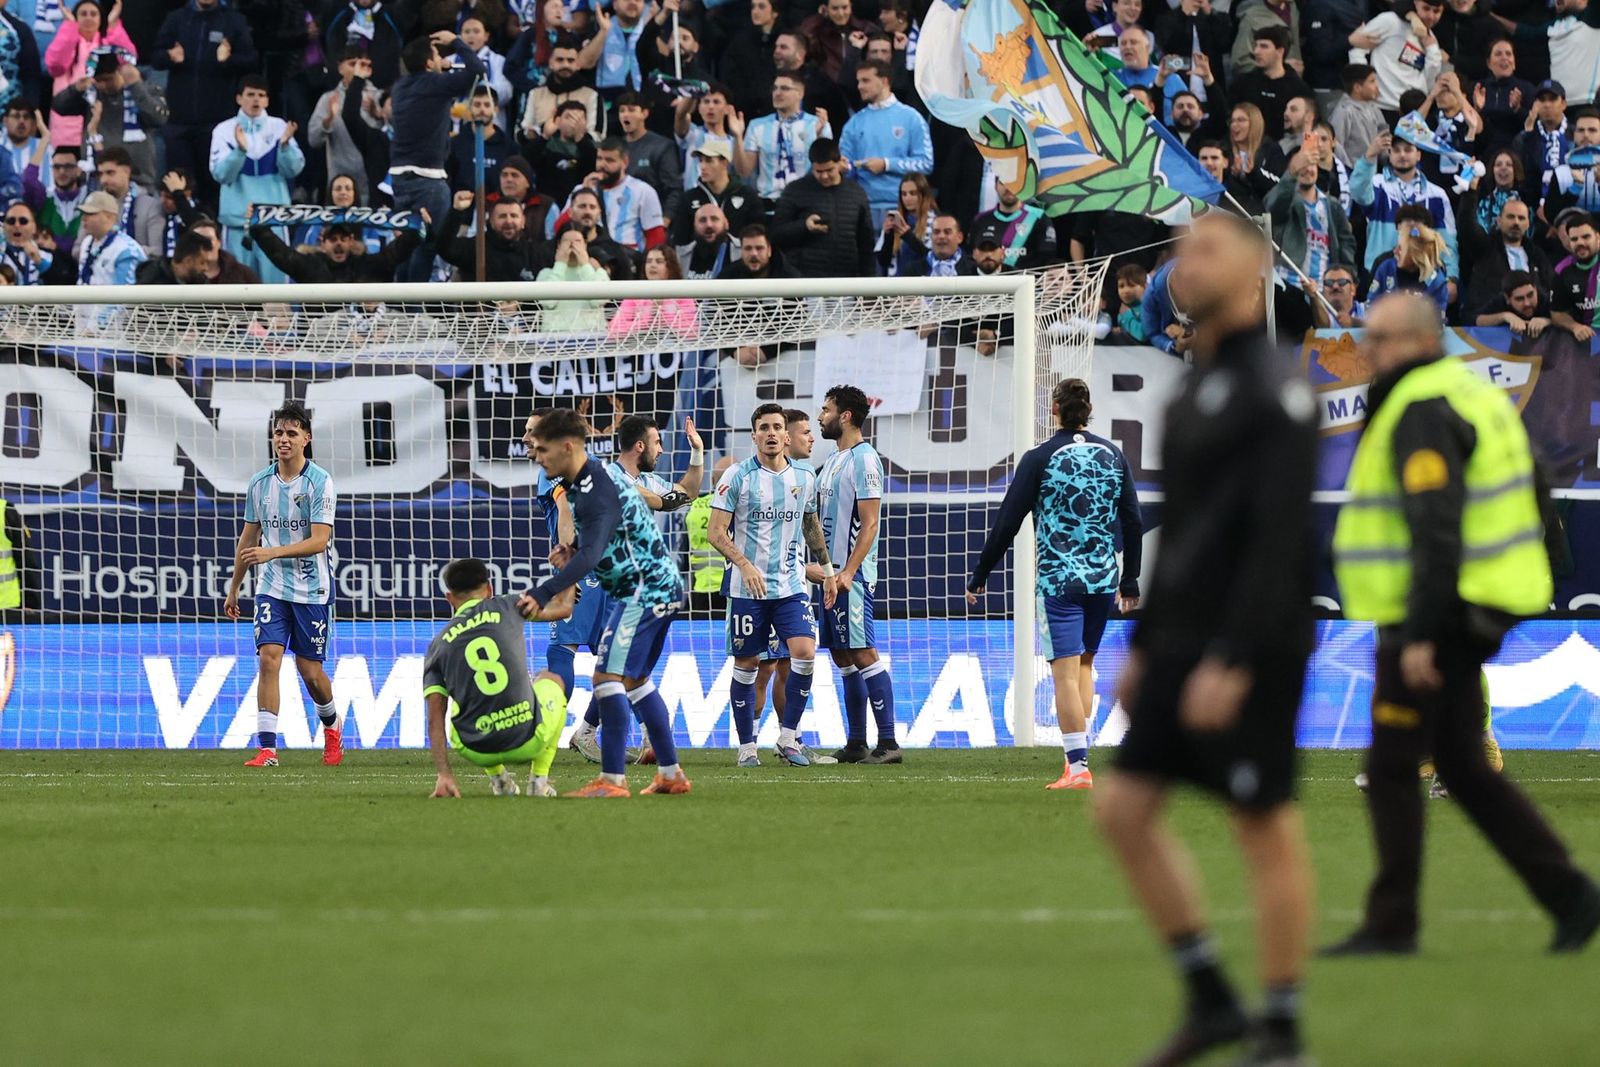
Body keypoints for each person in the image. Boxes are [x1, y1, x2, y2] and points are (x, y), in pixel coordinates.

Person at [1093, 212, 1320, 1067]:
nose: (1191, 257)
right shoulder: (1188, 388)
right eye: (1184, 247)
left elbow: (1277, 542)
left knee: (1262, 823)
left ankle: (1285, 1026)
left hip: (1251, 643)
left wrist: (1232, 655)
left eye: (1212, 244)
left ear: (1258, 271)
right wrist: (1145, 646)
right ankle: (1213, 997)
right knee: (1120, 809)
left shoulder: (1277, 387)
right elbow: (1181, 535)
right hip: (1180, 640)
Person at [1323, 290, 1600, 957]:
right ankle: (1572, 896)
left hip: (1437, 609)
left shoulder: (1421, 406)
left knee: (1393, 764)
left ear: (1418, 343)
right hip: (1478, 600)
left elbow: (1434, 523)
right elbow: (1535, 484)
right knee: (1462, 766)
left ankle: (1392, 923)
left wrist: (1422, 629)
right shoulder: (1473, 394)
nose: (1368, 352)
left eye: (1380, 340)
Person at [967, 379, 1142, 790]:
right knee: (1084, 665)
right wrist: (1129, 580)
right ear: (1090, 408)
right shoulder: (1112, 455)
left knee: (1063, 672)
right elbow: (1133, 520)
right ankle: (1079, 759)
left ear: (1054, 410)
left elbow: (1007, 522)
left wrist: (980, 575)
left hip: (1059, 580)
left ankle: (1078, 767)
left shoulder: (1041, 457)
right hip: (1102, 578)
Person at [521, 407, 693, 798]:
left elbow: (593, 552)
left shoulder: (594, 487)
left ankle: (613, 780)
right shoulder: (586, 481)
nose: (537, 456)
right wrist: (575, 550)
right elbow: (600, 540)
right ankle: (670, 773)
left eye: (543, 450)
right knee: (633, 679)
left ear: (567, 447)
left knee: (606, 678)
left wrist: (545, 591)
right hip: (651, 587)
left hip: (644, 589)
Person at [711, 403, 836, 768]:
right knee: (749, 663)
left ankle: (788, 738)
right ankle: (747, 746)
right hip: (747, 590)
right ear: (754, 435)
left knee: (805, 652)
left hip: (790, 586)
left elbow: (810, 524)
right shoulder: (736, 477)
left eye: (776, 427)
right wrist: (745, 564)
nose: (770, 433)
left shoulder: (805, 476)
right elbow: (715, 532)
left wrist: (828, 570)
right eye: (763, 427)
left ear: (785, 435)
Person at [223, 401, 344, 771]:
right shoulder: (260, 483)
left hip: (312, 589)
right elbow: (247, 540)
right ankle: (267, 749)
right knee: (268, 659)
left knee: (311, 673)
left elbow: (320, 540)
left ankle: (332, 726)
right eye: (278, 432)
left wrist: (272, 553)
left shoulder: (320, 482)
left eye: (292, 433)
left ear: (306, 438)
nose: (283, 439)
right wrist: (234, 588)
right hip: (271, 588)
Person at [422, 558, 576, 799]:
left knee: (457, 706)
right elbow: (564, 608)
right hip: (528, 740)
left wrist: (444, 774)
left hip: (477, 749)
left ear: (449, 598)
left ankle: (499, 781)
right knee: (551, 678)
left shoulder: (437, 646)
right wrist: (569, 572)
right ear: (489, 589)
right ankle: (539, 781)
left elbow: (434, 720)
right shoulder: (509, 605)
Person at [813, 384, 897, 764]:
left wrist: (849, 571)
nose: (820, 416)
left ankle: (890, 743)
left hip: (853, 578)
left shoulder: (865, 459)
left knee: (862, 651)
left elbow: (871, 522)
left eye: (826, 409)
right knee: (843, 655)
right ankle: (857, 742)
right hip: (831, 577)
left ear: (845, 416)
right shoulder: (832, 461)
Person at [388, 29, 484, 282]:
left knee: (405, 246)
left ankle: (399, 307)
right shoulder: (435, 84)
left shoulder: (400, 87)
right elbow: (477, 71)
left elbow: (431, 81)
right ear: (430, 62)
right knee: (429, 244)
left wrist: (443, 65)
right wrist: (455, 41)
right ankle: (413, 310)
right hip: (427, 180)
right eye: (436, 55)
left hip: (398, 178)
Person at [152, 0, 259, 204]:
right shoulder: (176, 19)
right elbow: (155, 57)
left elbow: (251, 60)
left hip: (215, 122)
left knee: (213, 189)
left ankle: (213, 233)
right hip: (178, 122)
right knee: (179, 188)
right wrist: (169, 56)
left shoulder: (233, 20)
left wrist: (228, 60)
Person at [209, 75, 304, 285]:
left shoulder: (280, 127)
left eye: (261, 95)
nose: (256, 100)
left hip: (274, 223)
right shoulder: (224, 131)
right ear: (238, 98)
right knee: (236, 293)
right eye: (250, 94)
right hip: (237, 224)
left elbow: (294, 169)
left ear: (268, 101)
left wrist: (285, 147)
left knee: (277, 294)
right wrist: (240, 151)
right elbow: (221, 174)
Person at [1352, 129, 1459, 289]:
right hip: (1379, 274)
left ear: (1418, 155)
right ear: (1389, 154)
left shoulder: (1437, 194)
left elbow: (1447, 241)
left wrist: (1451, 277)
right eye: (1396, 150)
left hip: (1424, 275)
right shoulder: (1376, 184)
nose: (1402, 155)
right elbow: (1358, 192)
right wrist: (1369, 156)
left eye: (1408, 150)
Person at [51, 50, 167, 190]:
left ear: (120, 72)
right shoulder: (91, 95)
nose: (103, 85)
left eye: (108, 79)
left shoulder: (145, 89)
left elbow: (159, 119)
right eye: (98, 81)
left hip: (138, 179)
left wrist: (136, 86)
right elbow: (59, 107)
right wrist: (75, 89)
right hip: (98, 178)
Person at [837, 59, 931, 227]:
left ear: (884, 81)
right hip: (864, 209)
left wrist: (887, 164)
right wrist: (844, 169)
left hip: (904, 208)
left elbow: (925, 163)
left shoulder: (911, 118)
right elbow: (846, 168)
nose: (859, 86)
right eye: (858, 81)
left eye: (866, 80)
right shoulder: (854, 123)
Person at [770, 137, 874, 278]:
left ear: (839, 163)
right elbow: (775, 234)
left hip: (847, 281)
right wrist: (804, 226)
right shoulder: (795, 190)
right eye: (818, 171)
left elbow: (866, 244)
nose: (824, 176)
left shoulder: (857, 193)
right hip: (806, 281)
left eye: (829, 170)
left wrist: (868, 282)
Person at [43, 0, 136, 148]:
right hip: (67, 124)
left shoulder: (108, 43)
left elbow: (128, 60)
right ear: (76, 17)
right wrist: (70, 28)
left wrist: (112, 27)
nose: (88, 18)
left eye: (93, 14)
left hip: (102, 124)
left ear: (101, 19)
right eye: (83, 14)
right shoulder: (67, 41)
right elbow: (55, 65)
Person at [1266, 148, 1358, 287]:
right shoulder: (1285, 200)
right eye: (1301, 165)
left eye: (1311, 164)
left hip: (1323, 289)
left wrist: (1348, 274)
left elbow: (1346, 243)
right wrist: (1290, 175)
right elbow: (1272, 207)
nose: (1307, 169)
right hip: (1289, 283)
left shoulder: (1332, 205)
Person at [740, 71, 831, 201]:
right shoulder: (756, 125)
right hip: (768, 202)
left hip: (804, 202)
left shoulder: (818, 124)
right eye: (775, 88)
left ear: (800, 94)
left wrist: (820, 136)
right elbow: (745, 172)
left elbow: (827, 167)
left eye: (784, 88)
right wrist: (738, 136)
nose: (777, 93)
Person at [1348, 0, 1445, 117]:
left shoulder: (1431, 38)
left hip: (1415, 109)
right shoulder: (1390, 21)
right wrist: (1365, 86)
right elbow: (1357, 48)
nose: (1430, 16)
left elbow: (1430, 80)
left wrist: (1431, 47)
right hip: (1382, 106)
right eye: (1426, 8)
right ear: (1415, 3)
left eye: (1436, 11)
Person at [309, 49, 381, 205]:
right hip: (339, 183)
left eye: (360, 64)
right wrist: (328, 120)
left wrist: (379, 115)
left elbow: (394, 137)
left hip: (373, 180)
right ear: (340, 68)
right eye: (352, 64)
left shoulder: (379, 97)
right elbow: (313, 140)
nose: (356, 69)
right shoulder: (328, 99)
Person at [670, 142, 764, 248]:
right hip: (701, 260)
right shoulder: (688, 198)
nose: (702, 166)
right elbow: (681, 240)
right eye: (701, 161)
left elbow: (758, 234)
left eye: (709, 161)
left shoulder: (748, 196)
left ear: (724, 162)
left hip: (738, 260)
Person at [583, 136, 665, 251]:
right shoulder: (583, 188)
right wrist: (584, 193)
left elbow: (656, 236)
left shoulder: (643, 191)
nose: (602, 165)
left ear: (625, 162)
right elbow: (560, 227)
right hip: (590, 259)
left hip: (627, 260)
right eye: (599, 159)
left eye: (609, 160)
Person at [1231, 27, 1314, 141]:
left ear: (1280, 51)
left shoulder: (1299, 89)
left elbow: (1309, 127)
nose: (1256, 51)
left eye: (1264, 46)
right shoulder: (1243, 83)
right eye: (1256, 45)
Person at [519, 35, 604, 144]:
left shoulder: (591, 95)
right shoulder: (535, 94)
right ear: (551, 63)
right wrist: (540, 131)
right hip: (542, 156)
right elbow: (521, 131)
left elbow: (598, 136)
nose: (565, 65)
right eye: (560, 60)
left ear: (578, 64)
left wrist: (577, 134)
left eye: (571, 60)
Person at [1366, 215, 1451, 316]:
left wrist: (1416, 311)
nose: (1395, 251)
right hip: (1386, 330)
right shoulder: (1386, 269)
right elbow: (1370, 310)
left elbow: (1438, 324)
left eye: (1400, 248)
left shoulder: (1436, 282)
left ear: (1415, 256)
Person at [612, 92, 681, 217]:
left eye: (632, 110)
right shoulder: (616, 148)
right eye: (622, 111)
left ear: (644, 114)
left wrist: (666, 220)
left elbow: (673, 189)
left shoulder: (662, 146)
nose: (625, 115)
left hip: (652, 218)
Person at [608, 245, 698, 338]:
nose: (652, 265)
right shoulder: (635, 294)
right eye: (648, 261)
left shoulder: (683, 294)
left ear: (671, 266)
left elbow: (691, 331)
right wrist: (647, 318)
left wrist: (663, 310)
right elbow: (614, 329)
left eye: (659, 262)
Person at [91, 145, 162, 257]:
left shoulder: (150, 205)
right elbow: (78, 249)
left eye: (110, 173)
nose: (103, 180)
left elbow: (158, 250)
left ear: (126, 171)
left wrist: (121, 253)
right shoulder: (93, 205)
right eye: (100, 174)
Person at [536, 227, 609, 331]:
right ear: (558, 246)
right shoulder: (545, 274)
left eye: (578, 241)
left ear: (585, 245)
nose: (572, 245)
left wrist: (585, 265)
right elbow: (548, 302)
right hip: (554, 341)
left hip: (593, 339)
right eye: (566, 242)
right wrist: (560, 264)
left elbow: (598, 301)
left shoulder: (599, 273)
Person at [968, 176, 1048, 269]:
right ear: (995, 186)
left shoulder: (1039, 217)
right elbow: (971, 255)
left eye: (1014, 183)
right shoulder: (980, 220)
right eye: (1003, 183)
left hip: (1028, 281)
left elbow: (1046, 256)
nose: (1008, 188)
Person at [1473, 39, 1535, 156]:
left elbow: (1533, 126)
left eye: (1508, 54)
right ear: (1489, 63)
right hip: (1485, 153)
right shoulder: (1479, 89)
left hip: (1516, 154)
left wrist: (1517, 109)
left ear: (1514, 62)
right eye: (1498, 54)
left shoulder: (1526, 88)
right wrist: (1477, 110)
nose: (1504, 58)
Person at [72, 189, 144, 285]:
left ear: (110, 216)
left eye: (91, 214)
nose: (84, 219)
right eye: (84, 214)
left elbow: (125, 296)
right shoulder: (86, 242)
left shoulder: (126, 250)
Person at [533, 99, 597, 207]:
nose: (574, 123)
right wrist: (544, 137)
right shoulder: (546, 144)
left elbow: (591, 168)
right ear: (557, 120)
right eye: (569, 117)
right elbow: (529, 161)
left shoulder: (590, 147)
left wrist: (580, 139)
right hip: (546, 203)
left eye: (579, 119)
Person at [1550, 211, 1600, 341]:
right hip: (1588, 341)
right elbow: (1557, 313)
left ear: (1598, 238)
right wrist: (1575, 327)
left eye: (1586, 237)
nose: (1580, 243)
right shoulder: (1561, 271)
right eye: (1574, 239)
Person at [875, 172, 936, 275]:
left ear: (923, 194)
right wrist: (888, 236)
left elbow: (933, 257)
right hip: (896, 283)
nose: (907, 198)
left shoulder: (934, 221)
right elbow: (883, 262)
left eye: (913, 193)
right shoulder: (895, 219)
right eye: (904, 194)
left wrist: (908, 236)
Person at [1329, 64, 1387, 170]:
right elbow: (1336, 145)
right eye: (1372, 81)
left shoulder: (1375, 109)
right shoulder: (1344, 111)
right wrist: (1347, 170)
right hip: (1353, 172)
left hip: (1372, 171)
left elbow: (1385, 137)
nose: (1377, 86)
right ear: (1357, 88)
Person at [2, 201, 74, 286]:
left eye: (23, 221)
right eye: (11, 221)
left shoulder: (51, 256)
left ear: (34, 227)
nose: (17, 225)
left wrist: (39, 262)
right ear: (4, 226)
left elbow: (64, 285)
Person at [1474, 269, 1553, 335]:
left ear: (1535, 289)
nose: (1527, 303)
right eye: (1519, 299)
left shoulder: (1545, 299)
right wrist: (1505, 316)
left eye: (1530, 295)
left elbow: (1563, 316)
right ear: (1508, 299)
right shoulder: (1500, 301)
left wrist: (1548, 321)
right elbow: (1473, 319)